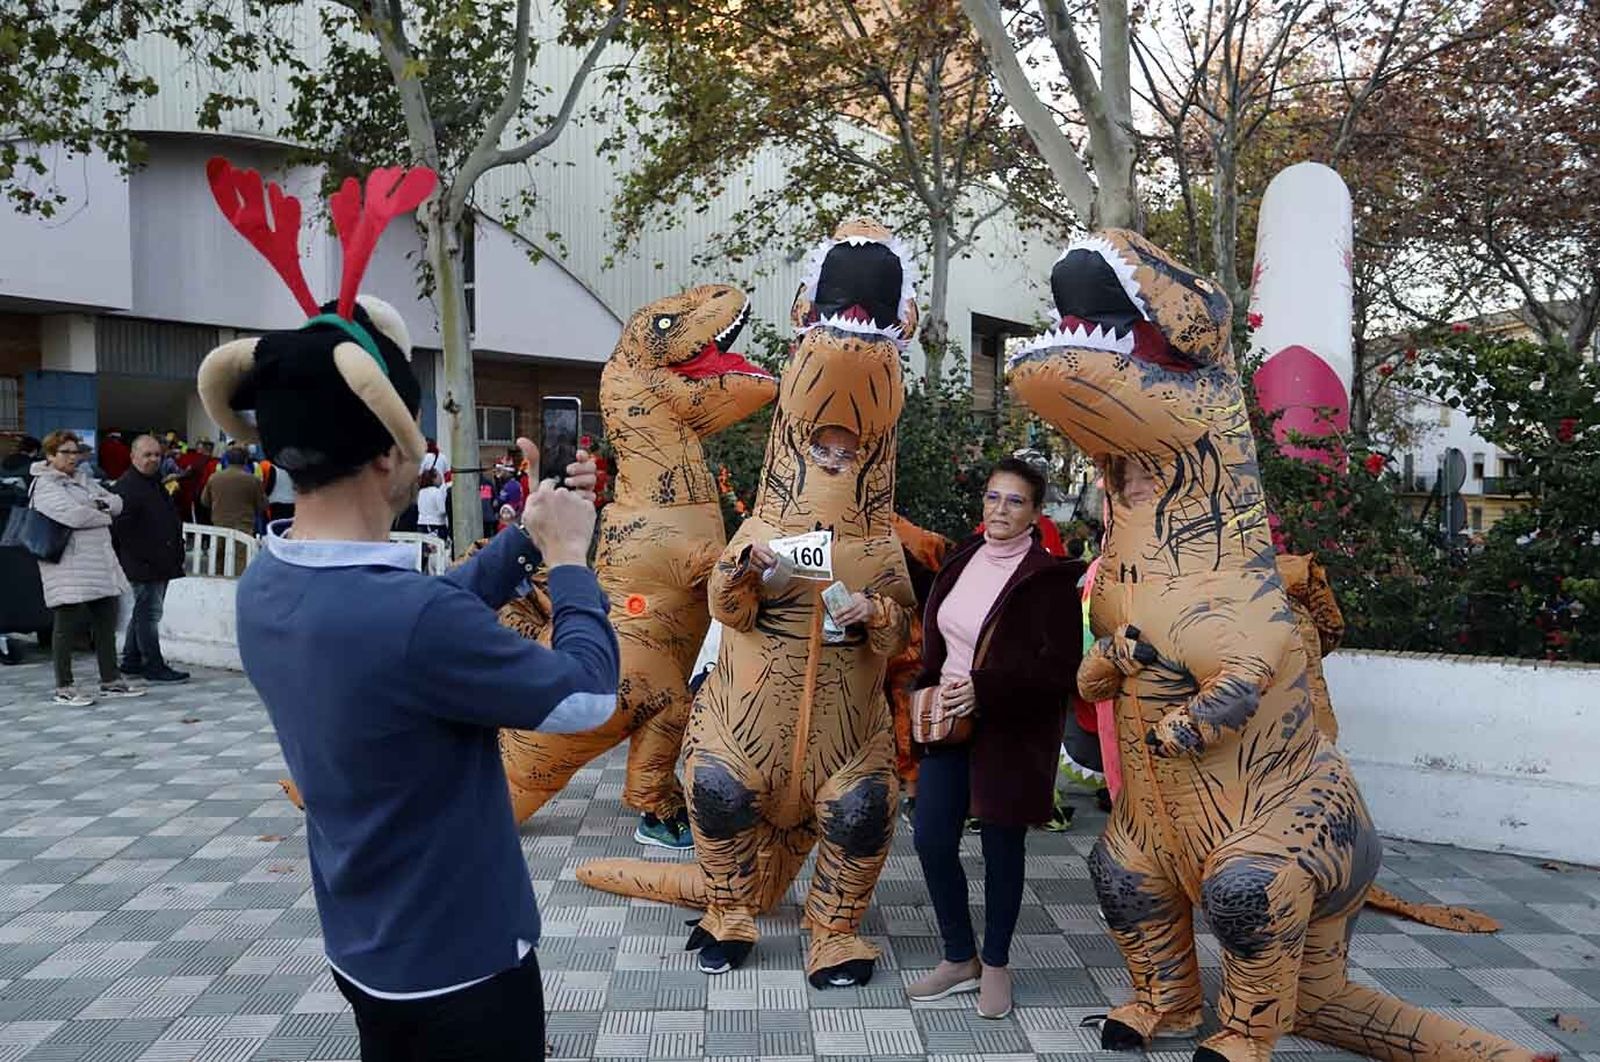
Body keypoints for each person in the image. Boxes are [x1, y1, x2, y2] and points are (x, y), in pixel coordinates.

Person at [206, 291, 618, 1059]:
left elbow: (411, 624)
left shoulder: (270, 584)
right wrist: (568, 561)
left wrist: (525, 538)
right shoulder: (407, 620)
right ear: (391, 454)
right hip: (461, 962)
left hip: (364, 945)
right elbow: (589, 696)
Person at [905, 457, 1084, 1019]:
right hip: (948, 724)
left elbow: (1061, 669)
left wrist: (986, 689)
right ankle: (960, 957)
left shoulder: (1046, 579)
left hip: (1008, 731)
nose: (1000, 510)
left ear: (1034, 513)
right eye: (992, 498)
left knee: (1001, 849)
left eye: (1014, 501)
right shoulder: (960, 560)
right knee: (932, 840)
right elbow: (939, 636)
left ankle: (998, 964)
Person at [28, 431, 147, 706]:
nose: (73, 457)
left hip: (98, 561)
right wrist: (103, 514)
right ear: (50, 456)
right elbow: (75, 516)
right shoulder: (45, 485)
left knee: (106, 620)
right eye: (65, 452)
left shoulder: (84, 479)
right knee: (65, 625)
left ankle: (111, 679)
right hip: (68, 563)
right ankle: (64, 686)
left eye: (75, 452)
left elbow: (117, 502)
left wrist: (98, 506)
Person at [111, 435, 190, 683]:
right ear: (133, 456)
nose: (153, 459)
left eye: (157, 454)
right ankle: (152, 663)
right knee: (149, 614)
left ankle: (132, 659)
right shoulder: (128, 487)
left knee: (143, 611)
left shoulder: (153, 483)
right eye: (147, 455)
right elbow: (122, 531)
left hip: (160, 560)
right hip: (144, 563)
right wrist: (145, 557)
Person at [203, 447, 267, 534]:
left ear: (227, 460)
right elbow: (262, 505)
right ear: (245, 460)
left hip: (219, 525)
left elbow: (205, 501)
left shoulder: (214, 478)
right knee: (241, 547)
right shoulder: (253, 480)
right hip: (244, 527)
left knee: (220, 547)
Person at [417, 468, 449, 541]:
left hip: (421, 523)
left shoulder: (421, 492)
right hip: (436, 524)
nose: (441, 478)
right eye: (439, 476)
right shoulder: (437, 492)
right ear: (433, 479)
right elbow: (442, 510)